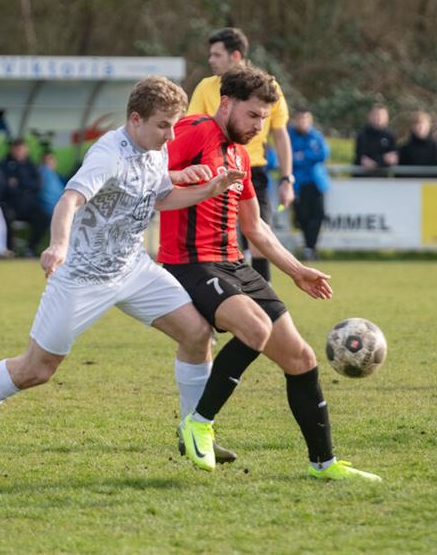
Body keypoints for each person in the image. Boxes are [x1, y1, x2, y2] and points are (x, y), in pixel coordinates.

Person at [0, 76, 246, 479]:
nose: (171, 135)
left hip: (133, 269)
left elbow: (160, 197)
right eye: (163, 125)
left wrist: (209, 189)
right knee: (36, 369)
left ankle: (194, 432)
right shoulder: (108, 155)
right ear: (135, 119)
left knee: (197, 334)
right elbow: (69, 200)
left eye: (174, 125)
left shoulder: (156, 148)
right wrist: (58, 245)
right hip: (83, 277)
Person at [160, 65, 380, 481]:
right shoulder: (195, 131)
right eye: (253, 116)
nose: (259, 126)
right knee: (255, 328)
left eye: (264, 118)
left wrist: (296, 271)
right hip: (190, 262)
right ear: (226, 103)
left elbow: (255, 227)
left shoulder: (240, 155)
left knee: (302, 359)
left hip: (232, 264)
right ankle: (197, 423)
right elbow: (146, 172)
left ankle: (324, 464)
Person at [187, 27, 293, 283]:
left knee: (259, 237)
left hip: (253, 171)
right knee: (218, 240)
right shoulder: (206, 87)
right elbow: (193, 129)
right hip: (215, 173)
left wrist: (287, 179)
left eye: (216, 55)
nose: (210, 60)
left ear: (235, 56)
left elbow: (280, 134)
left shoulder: (269, 89)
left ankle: (262, 294)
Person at [287, 108, 330, 261]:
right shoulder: (289, 136)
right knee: (302, 217)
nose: (303, 122)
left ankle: (311, 248)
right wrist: (308, 156)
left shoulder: (316, 136)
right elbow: (289, 157)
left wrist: (303, 156)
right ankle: (308, 247)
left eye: (305, 119)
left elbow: (323, 154)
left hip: (316, 182)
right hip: (298, 184)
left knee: (318, 216)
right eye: (300, 119)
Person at [0, 138, 45, 256]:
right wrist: (24, 186)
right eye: (17, 149)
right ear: (12, 150)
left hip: (28, 205)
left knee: (43, 217)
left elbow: (37, 185)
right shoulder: (4, 165)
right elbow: (4, 186)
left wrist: (19, 183)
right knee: (4, 217)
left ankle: (30, 248)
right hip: (10, 204)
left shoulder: (31, 166)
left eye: (22, 148)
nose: (19, 151)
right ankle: (10, 249)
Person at [396, 111, 437, 177]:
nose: (420, 127)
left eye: (423, 123)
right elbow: (399, 173)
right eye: (417, 124)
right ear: (412, 127)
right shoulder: (405, 149)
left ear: (429, 126)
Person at [353, 104, 398, 177]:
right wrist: (383, 159)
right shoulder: (362, 135)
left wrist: (378, 161)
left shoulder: (390, 136)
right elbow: (362, 158)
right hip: (362, 178)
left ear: (387, 117)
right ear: (370, 116)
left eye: (381, 115)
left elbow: (392, 158)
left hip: (382, 179)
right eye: (375, 115)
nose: (378, 118)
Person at [36, 150, 65, 219]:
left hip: (58, 208)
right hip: (52, 210)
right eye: (50, 159)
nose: (53, 161)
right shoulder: (45, 172)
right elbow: (49, 196)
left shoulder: (54, 174)